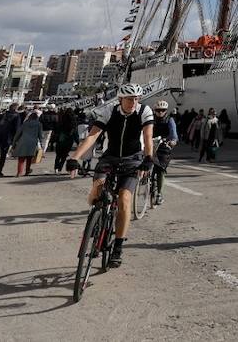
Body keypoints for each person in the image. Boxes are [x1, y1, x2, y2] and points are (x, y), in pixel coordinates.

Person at [67, 84, 155, 267]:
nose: (133, 102)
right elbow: (92, 136)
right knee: (97, 189)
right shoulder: (109, 111)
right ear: (120, 99)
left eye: (136, 99)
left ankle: (118, 247)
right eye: (129, 99)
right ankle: (97, 219)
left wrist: (148, 158)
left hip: (133, 159)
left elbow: (148, 137)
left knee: (124, 199)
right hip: (110, 157)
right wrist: (75, 157)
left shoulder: (144, 111)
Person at [150, 101, 179, 203]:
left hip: (164, 145)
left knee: (160, 169)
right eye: (158, 110)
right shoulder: (150, 119)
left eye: (163, 110)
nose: (160, 112)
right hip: (150, 144)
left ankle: (159, 193)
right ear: (154, 110)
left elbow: (173, 133)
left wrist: (173, 141)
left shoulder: (169, 120)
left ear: (166, 111)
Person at [13, 109, 44, 176]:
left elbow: (18, 134)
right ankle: (27, 171)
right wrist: (41, 144)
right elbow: (40, 135)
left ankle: (19, 172)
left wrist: (14, 143)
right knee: (29, 158)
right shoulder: (39, 124)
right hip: (32, 142)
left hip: (23, 141)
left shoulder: (24, 124)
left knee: (21, 158)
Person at [53, 109, 78, 174]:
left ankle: (56, 168)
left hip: (61, 139)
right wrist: (77, 142)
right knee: (64, 156)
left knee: (58, 155)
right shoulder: (73, 122)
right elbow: (75, 133)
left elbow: (57, 130)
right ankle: (60, 168)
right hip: (69, 140)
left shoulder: (62, 120)